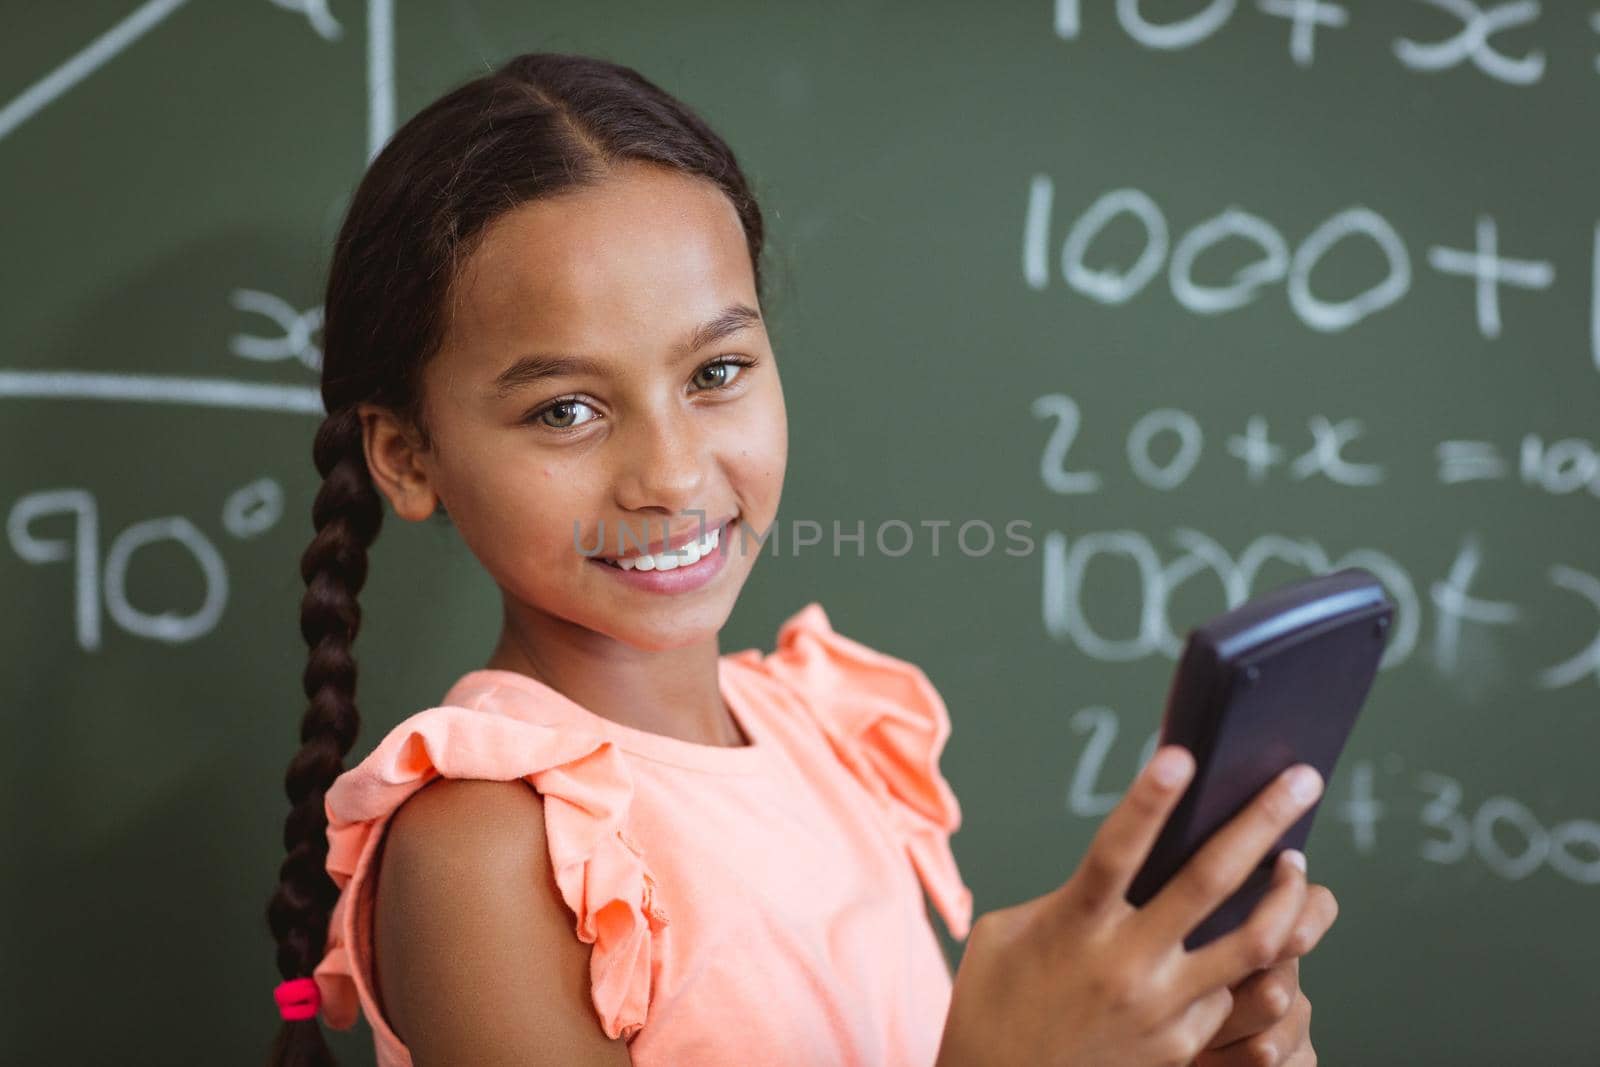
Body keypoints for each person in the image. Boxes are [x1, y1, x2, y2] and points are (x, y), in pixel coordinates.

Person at [263, 51, 1337, 1067]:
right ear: (408, 456)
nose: (673, 475)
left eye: (716, 371)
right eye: (567, 408)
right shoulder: (486, 846)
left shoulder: (821, 730)